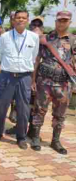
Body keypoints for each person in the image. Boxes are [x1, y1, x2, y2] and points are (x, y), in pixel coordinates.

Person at [0, 10, 39, 150]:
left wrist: (32, 79)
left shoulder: (34, 37)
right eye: (18, 18)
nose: (20, 20)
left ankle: (21, 137)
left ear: (27, 20)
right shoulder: (4, 36)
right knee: (1, 105)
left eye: (23, 18)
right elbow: (2, 54)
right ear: (13, 20)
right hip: (7, 75)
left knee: (23, 109)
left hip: (25, 77)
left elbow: (34, 57)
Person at [30, 11, 75, 154]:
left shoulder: (73, 40)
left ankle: (55, 140)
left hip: (64, 84)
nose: (62, 23)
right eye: (59, 20)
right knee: (39, 110)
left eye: (65, 20)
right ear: (55, 21)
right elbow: (37, 60)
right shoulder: (45, 39)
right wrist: (33, 79)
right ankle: (36, 138)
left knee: (60, 114)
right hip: (44, 82)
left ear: (69, 22)